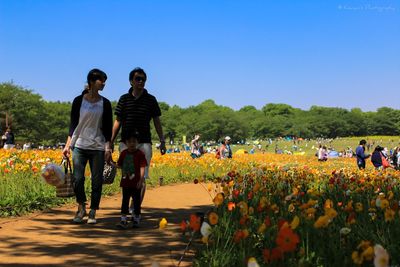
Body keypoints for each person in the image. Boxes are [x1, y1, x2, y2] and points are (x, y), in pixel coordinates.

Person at [62, 69, 113, 224]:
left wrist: (108, 148)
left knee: (97, 180)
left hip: (97, 146)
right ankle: (81, 207)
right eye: (101, 80)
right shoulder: (78, 101)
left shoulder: (105, 103)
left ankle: (93, 211)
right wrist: (67, 145)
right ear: (92, 81)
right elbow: (73, 124)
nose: (103, 83)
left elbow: (108, 127)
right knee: (77, 179)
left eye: (105, 81)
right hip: (79, 145)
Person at [111, 67, 166, 207]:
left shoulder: (151, 100)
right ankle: (126, 205)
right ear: (131, 81)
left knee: (142, 176)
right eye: (137, 79)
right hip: (125, 143)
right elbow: (118, 120)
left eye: (143, 79)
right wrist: (110, 140)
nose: (141, 81)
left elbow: (157, 121)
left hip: (144, 143)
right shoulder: (124, 99)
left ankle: (135, 208)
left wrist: (162, 140)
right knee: (127, 176)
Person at [116, 131, 147, 229]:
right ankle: (123, 219)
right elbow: (119, 165)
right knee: (125, 201)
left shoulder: (140, 154)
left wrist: (141, 180)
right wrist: (111, 164)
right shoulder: (123, 153)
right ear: (126, 143)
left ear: (137, 142)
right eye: (129, 142)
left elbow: (143, 167)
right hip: (125, 182)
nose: (132, 144)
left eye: (134, 141)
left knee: (136, 201)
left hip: (136, 183)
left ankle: (136, 219)